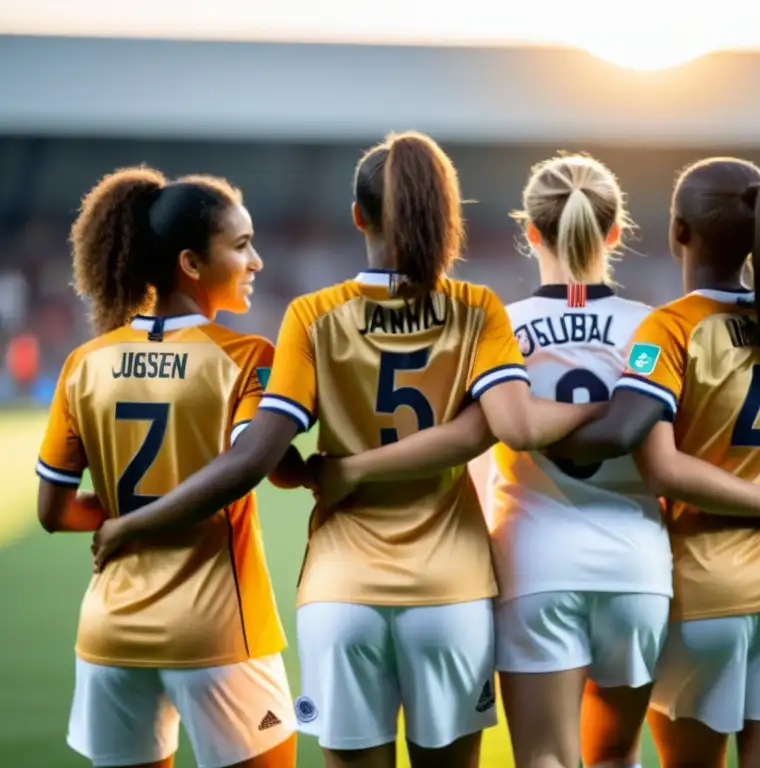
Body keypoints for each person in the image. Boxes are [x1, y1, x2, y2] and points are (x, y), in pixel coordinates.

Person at [91, 132, 602, 768]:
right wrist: (614, 403)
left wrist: (304, 472)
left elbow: (256, 460)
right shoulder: (476, 310)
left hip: (342, 593)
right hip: (451, 591)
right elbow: (498, 426)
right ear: (446, 217)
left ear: (358, 216)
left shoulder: (313, 315)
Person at [311, 159, 760, 768]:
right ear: (614, 234)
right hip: (637, 565)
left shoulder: (499, 323)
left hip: (535, 561)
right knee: (615, 756)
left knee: (545, 759)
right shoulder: (652, 326)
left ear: (530, 232)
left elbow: (479, 436)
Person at [36, 167, 302, 768]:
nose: (256, 261)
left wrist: (127, 518)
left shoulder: (84, 361)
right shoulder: (246, 357)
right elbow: (249, 464)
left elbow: (52, 512)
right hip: (219, 634)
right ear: (191, 263)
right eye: (240, 246)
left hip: (110, 635)